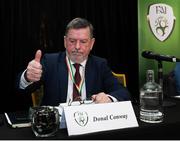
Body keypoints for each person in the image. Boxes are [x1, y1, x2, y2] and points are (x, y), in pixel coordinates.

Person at [17, 17, 131, 106]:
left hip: (90, 126)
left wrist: (109, 98)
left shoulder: (99, 64)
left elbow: (123, 92)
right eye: (72, 41)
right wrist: (27, 76)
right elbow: (22, 90)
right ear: (65, 41)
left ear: (91, 44)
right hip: (57, 127)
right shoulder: (50, 62)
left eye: (83, 42)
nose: (77, 46)